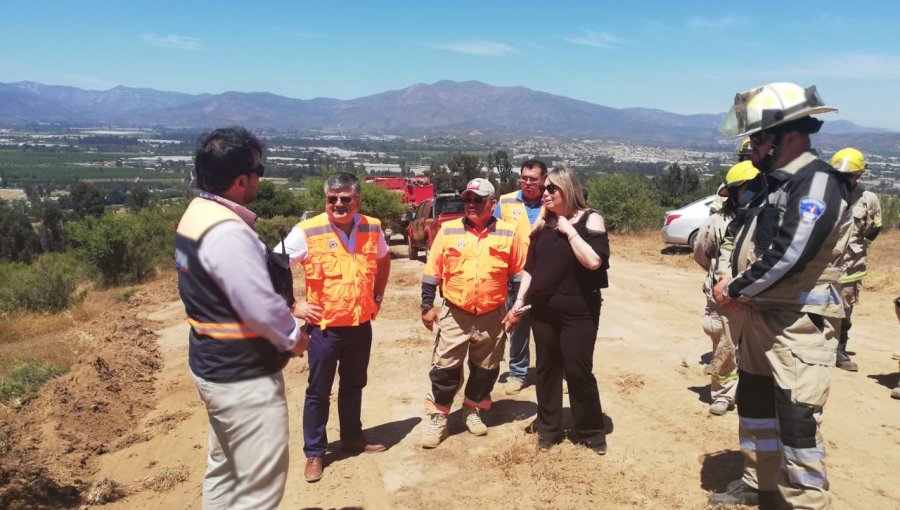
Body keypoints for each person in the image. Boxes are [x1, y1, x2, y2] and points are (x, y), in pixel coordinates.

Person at [709, 83, 853, 509]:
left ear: (787, 135)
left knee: (797, 423)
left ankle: (804, 501)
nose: (751, 147)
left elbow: (790, 254)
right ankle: (759, 483)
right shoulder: (779, 182)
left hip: (797, 326)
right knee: (755, 405)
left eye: (757, 137)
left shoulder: (816, 183)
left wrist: (733, 288)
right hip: (763, 319)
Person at [176, 126, 308, 509]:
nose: (260, 177)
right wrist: (295, 337)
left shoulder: (196, 214)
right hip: (243, 379)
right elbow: (260, 306)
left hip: (212, 366)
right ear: (239, 181)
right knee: (258, 489)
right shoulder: (228, 233)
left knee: (225, 469)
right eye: (258, 170)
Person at [281, 172, 391, 483]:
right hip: (324, 330)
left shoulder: (372, 227)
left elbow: (383, 261)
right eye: (333, 199)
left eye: (345, 198)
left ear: (357, 200)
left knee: (354, 384)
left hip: (359, 326)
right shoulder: (307, 231)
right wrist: (292, 305)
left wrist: (378, 295)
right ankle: (315, 452)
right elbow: (273, 266)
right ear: (326, 200)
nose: (339, 204)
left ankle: (352, 438)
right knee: (318, 391)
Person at [507, 167, 610, 454]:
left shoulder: (590, 219)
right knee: (547, 370)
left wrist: (569, 231)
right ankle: (548, 430)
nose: (546, 193)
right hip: (542, 309)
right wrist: (519, 301)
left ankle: (591, 431)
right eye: (546, 189)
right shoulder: (543, 223)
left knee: (578, 371)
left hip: (579, 310)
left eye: (553, 189)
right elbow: (531, 267)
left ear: (569, 189)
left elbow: (593, 262)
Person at [420, 177, 526, 448]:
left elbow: (517, 276)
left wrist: (515, 310)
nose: (471, 205)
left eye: (477, 200)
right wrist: (426, 306)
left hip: (493, 314)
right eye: (467, 199)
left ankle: (473, 410)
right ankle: (439, 416)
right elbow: (432, 272)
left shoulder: (508, 233)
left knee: (486, 369)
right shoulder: (448, 231)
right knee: (445, 368)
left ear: (493, 203)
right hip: (456, 312)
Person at [694, 160, 760, 416]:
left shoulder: (768, 220)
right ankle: (723, 395)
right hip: (724, 299)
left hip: (756, 296)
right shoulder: (718, 221)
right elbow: (702, 253)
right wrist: (718, 279)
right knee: (724, 347)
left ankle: (752, 392)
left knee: (757, 349)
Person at [493, 159, 546, 394]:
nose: (527, 182)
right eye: (524, 178)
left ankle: (555, 372)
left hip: (547, 278)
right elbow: (491, 233)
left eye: (533, 179)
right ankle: (517, 373)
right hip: (515, 278)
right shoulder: (505, 202)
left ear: (543, 180)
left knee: (549, 329)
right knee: (517, 327)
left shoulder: (552, 200)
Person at [830, 148, 882, 372]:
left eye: (847, 175)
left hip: (852, 268)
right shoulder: (824, 197)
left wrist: (858, 249)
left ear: (858, 175)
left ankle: (839, 352)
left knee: (845, 313)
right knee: (814, 306)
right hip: (823, 266)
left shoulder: (868, 200)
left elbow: (874, 229)